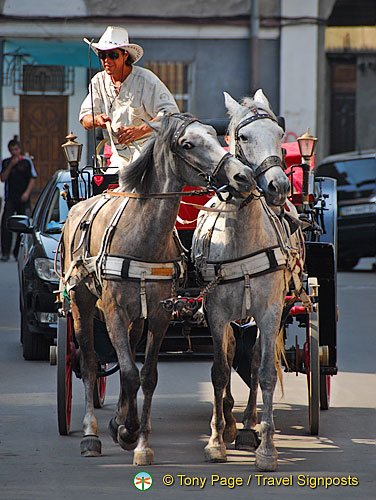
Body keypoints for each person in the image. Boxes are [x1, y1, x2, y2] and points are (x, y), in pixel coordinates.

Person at [80, 26, 180, 167]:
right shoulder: (98, 81)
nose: (107, 60)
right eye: (103, 55)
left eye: (113, 55)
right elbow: (85, 119)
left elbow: (171, 114)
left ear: (125, 55)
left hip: (150, 152)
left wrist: (140, 130)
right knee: (107, 185)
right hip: (118, 156)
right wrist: (97, 119)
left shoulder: (146, 79)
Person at [0, 138, 37, 261]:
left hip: (23, 197)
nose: (14, 152)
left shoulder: (26, 162)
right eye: (12, 150)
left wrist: (27, 193)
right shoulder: (6, 162)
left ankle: (17, 252)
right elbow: (3, 178)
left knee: (22, 225)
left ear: (19, 149)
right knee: (6, 224)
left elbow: (33, 177)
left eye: (16, 149)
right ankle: (5, 252)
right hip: (10, 198)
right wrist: (11, 165)